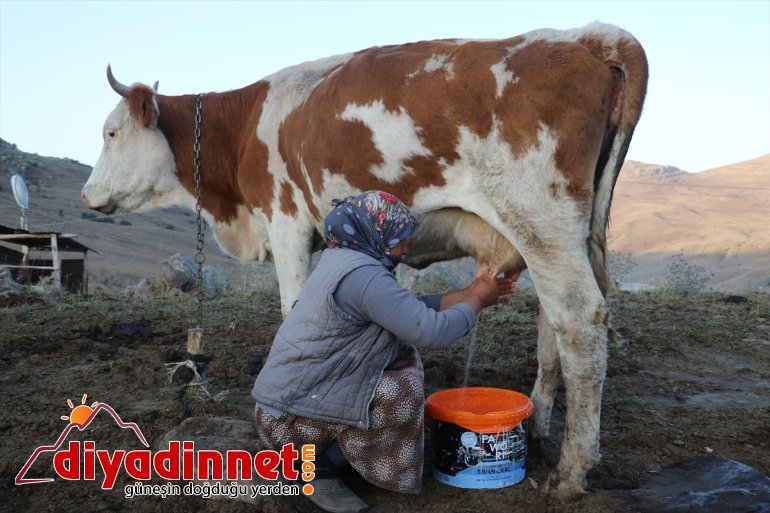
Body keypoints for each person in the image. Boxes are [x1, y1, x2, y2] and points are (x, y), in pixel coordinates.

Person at [252, 191, 516, 513]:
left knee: (394, 373)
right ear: (374, 233)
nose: (406, 249)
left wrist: (471, 293)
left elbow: (407, 308)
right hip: (290, 425)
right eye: (398, 239)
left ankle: (329, 455)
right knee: (400, 391)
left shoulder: (345, 260)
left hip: (281, 411)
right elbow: (430, 331)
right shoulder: (364, 278)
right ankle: (319, 466)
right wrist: (476, 302)